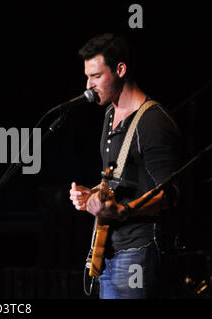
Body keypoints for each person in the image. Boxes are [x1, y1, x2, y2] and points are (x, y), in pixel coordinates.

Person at [69, 33, 180, 299]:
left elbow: (171, 193)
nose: (89, 85)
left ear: (120, 69)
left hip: (138, 251)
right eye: (87, 77)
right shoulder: (110, 114)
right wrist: (91, 193)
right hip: (109, 249)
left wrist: (124, 211)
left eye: (96, 76)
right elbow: (121, 177)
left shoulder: (152, 121)